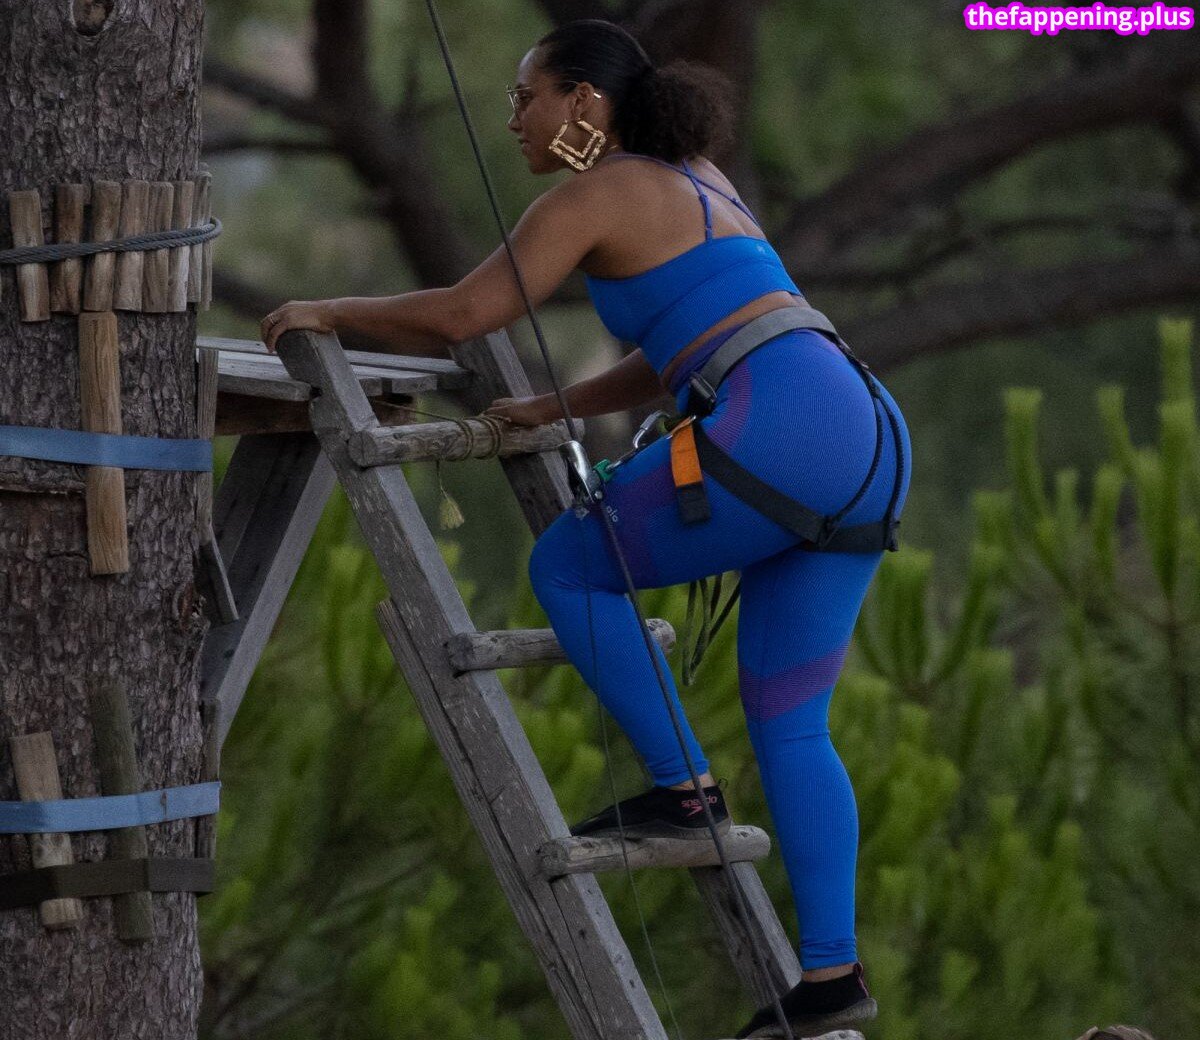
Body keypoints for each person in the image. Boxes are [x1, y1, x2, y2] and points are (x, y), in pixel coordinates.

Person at [260, 17, 912, 1039]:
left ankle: (683, 789)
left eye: (527, 95)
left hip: (783, 429)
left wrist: (327, 310)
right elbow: (683, 345)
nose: (513, 117)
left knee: (569, 565)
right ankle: (830, 973)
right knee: (792, 720)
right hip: (862, 431)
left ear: (584, 102)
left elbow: (466, 313)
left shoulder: (596, 193)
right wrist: (554, 403)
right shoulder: (698, 176)